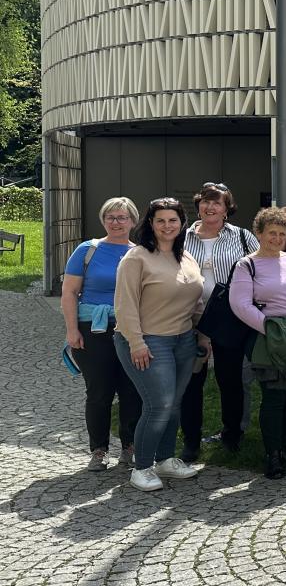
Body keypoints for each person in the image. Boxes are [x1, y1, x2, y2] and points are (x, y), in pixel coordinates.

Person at [112, 197, 205, 491]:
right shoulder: (136, 258)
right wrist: (136, 343)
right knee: (159, 404)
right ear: (150, 224)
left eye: (173, 220)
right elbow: (125, 305)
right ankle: (142, 467)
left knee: (174, 404)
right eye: (161, 220)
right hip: (147, 341)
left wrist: (203, 334)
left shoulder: (186, 257)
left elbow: (196, 301)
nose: (167, 226)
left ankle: (165, 460)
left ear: (182, 224)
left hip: (183, 341)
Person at [230, 206, 286, 478]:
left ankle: (284, 449)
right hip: (268, 338)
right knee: (274, 398)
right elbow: (240, 304)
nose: (277, 238)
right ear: (259, 233)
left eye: (283, 233)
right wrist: (271, 330)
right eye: (271, 232)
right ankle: (272, 455)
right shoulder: (247, 265)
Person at [61, 197, 142, 471]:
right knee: (99, 392)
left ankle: (129, 446)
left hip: (130, 328)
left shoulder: (140, 252)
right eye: (110, 217)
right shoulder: (88, 250)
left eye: (121, 217)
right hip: (93, 329)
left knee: (132, 390)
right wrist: (72, 330)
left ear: (133, 221)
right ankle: (98, 450)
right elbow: (69, 292)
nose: (115, 222)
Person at [179, 182, 259, 459]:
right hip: (189, 315)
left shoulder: (242, 237)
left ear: (227, 209)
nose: (210, 207)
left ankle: (232, 434)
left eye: (217, 203)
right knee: (191, 381)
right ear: (198, 205)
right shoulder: (183, 235)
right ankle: (191, 440)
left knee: (230, 379)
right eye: (205, 201)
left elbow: (258, 268)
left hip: (229, 316)